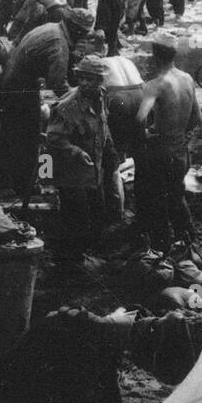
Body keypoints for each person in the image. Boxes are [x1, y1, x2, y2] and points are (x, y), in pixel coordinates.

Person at [0, 8, 94, 208]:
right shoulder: (59, 44)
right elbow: (58, 85)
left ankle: (7, 181)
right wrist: (79, 102)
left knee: (13, 135)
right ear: (77, 31)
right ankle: (30, 184)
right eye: (84, 35)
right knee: (34, 137)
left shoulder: (51, 28)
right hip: (21, 88)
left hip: (12, 82)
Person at [133, 32, 199, 255]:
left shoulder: (155, 84)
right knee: (176, 195)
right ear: (174, 53)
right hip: (180, 149)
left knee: (155, 198)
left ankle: (160, 248)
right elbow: (196, 118)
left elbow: (141, 118)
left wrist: (148, 134)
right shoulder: (187, 79)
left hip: (161, 151)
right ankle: (189, 239)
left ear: (154, 55)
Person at [47, 55, 117, 259]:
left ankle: (83, 256)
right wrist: (76, 152)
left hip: (93, 170)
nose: (86, 83)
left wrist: (111, 152)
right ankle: (69, 262)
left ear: (100, 81)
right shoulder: (67, 106)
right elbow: (53, 139)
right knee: (77, 218)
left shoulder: (102, 96)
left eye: (91, 79)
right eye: (82, 78)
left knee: (98, 215)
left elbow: (104, 126)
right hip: (71, 173)